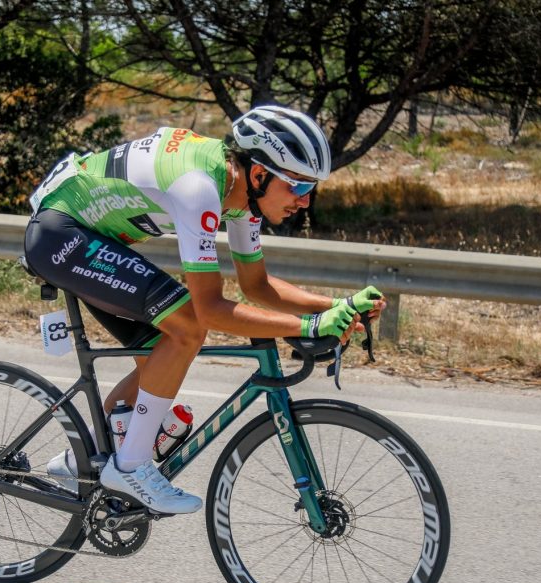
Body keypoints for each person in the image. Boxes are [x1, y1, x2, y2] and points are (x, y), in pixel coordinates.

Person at [23, 105, 385, 514]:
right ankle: (131, 465)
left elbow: (257, 286)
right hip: (61, 235)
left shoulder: (242, 194)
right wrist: (310, 325)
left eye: (311, 190)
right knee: (189, 326)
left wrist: (337, 306)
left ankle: (79, 458)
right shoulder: (198, 188)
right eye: (299, 188)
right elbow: (210, 309)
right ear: (260, 174)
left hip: (92, 238)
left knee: (163, 351)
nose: (305, 203)